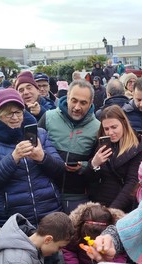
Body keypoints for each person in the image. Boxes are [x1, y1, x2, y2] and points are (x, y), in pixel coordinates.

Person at [0, 88, 64, 226]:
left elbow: (60, 169)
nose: (15, 117)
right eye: (8, 114)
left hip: (49, 210)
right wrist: (13, 158)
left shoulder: (40, 134)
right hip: (15, 218)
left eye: (18, 112)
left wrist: (43, 158)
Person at [37, 80, 99, 214]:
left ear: (91, 103)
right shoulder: (48, 117)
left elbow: (100, 164)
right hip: (47, 193)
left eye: (83, 103)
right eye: (74, 100)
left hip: (77, 196)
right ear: (67, 97)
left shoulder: (97, 128)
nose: (77, 107)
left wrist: (83, 166)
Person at [86, 105, 142, 212]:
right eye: (106, 129)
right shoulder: (102, 144)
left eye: (114, 127)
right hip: (99, 205)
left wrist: (112, 211)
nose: (110, 132)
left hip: (121, 208)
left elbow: (132, 184)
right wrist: (94, 164)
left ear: (123, 124)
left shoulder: (137, 148)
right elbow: (90, 180)